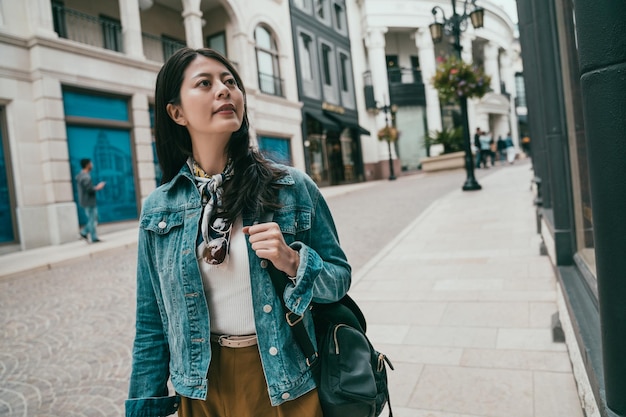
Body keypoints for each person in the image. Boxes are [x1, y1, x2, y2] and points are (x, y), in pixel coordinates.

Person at [125, 48, 351, 417]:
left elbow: (339, 279)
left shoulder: (291, 187)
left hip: (285, 381)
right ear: (176, 112)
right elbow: (151, 324)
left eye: (230, 82)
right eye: (205, 83)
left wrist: (293, 262)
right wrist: (143, 408)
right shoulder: (159, 208)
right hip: (201, 390)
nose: (224, 90)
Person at [75, 158, 105, 243]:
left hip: (86, 201)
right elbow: (89, 189)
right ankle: (85, 233)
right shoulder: (85, 177)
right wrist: (98, 187)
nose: (92, 165)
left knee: (93, 218)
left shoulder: (81, 175)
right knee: (93, 219)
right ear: (87, 165)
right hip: (89, 201)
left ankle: (92, 236)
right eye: (91, 163)